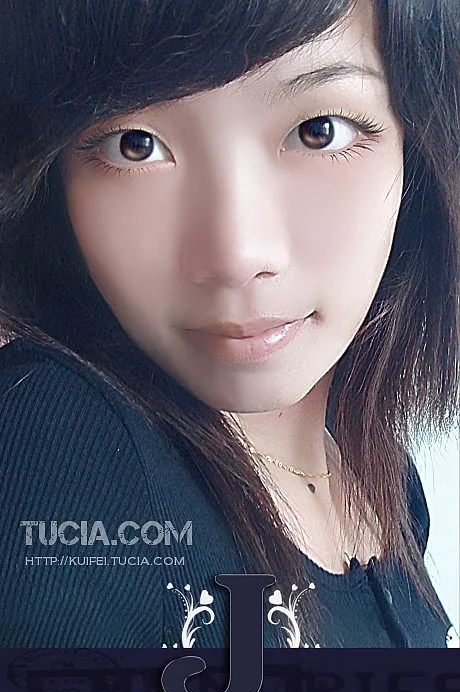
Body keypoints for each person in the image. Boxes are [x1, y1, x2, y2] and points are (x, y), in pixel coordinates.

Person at [0, 0, 458, 649]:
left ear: (418, 144)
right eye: (135, 145)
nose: (237, 255)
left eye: (318, 131)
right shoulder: (56, 441)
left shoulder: (383, 477)